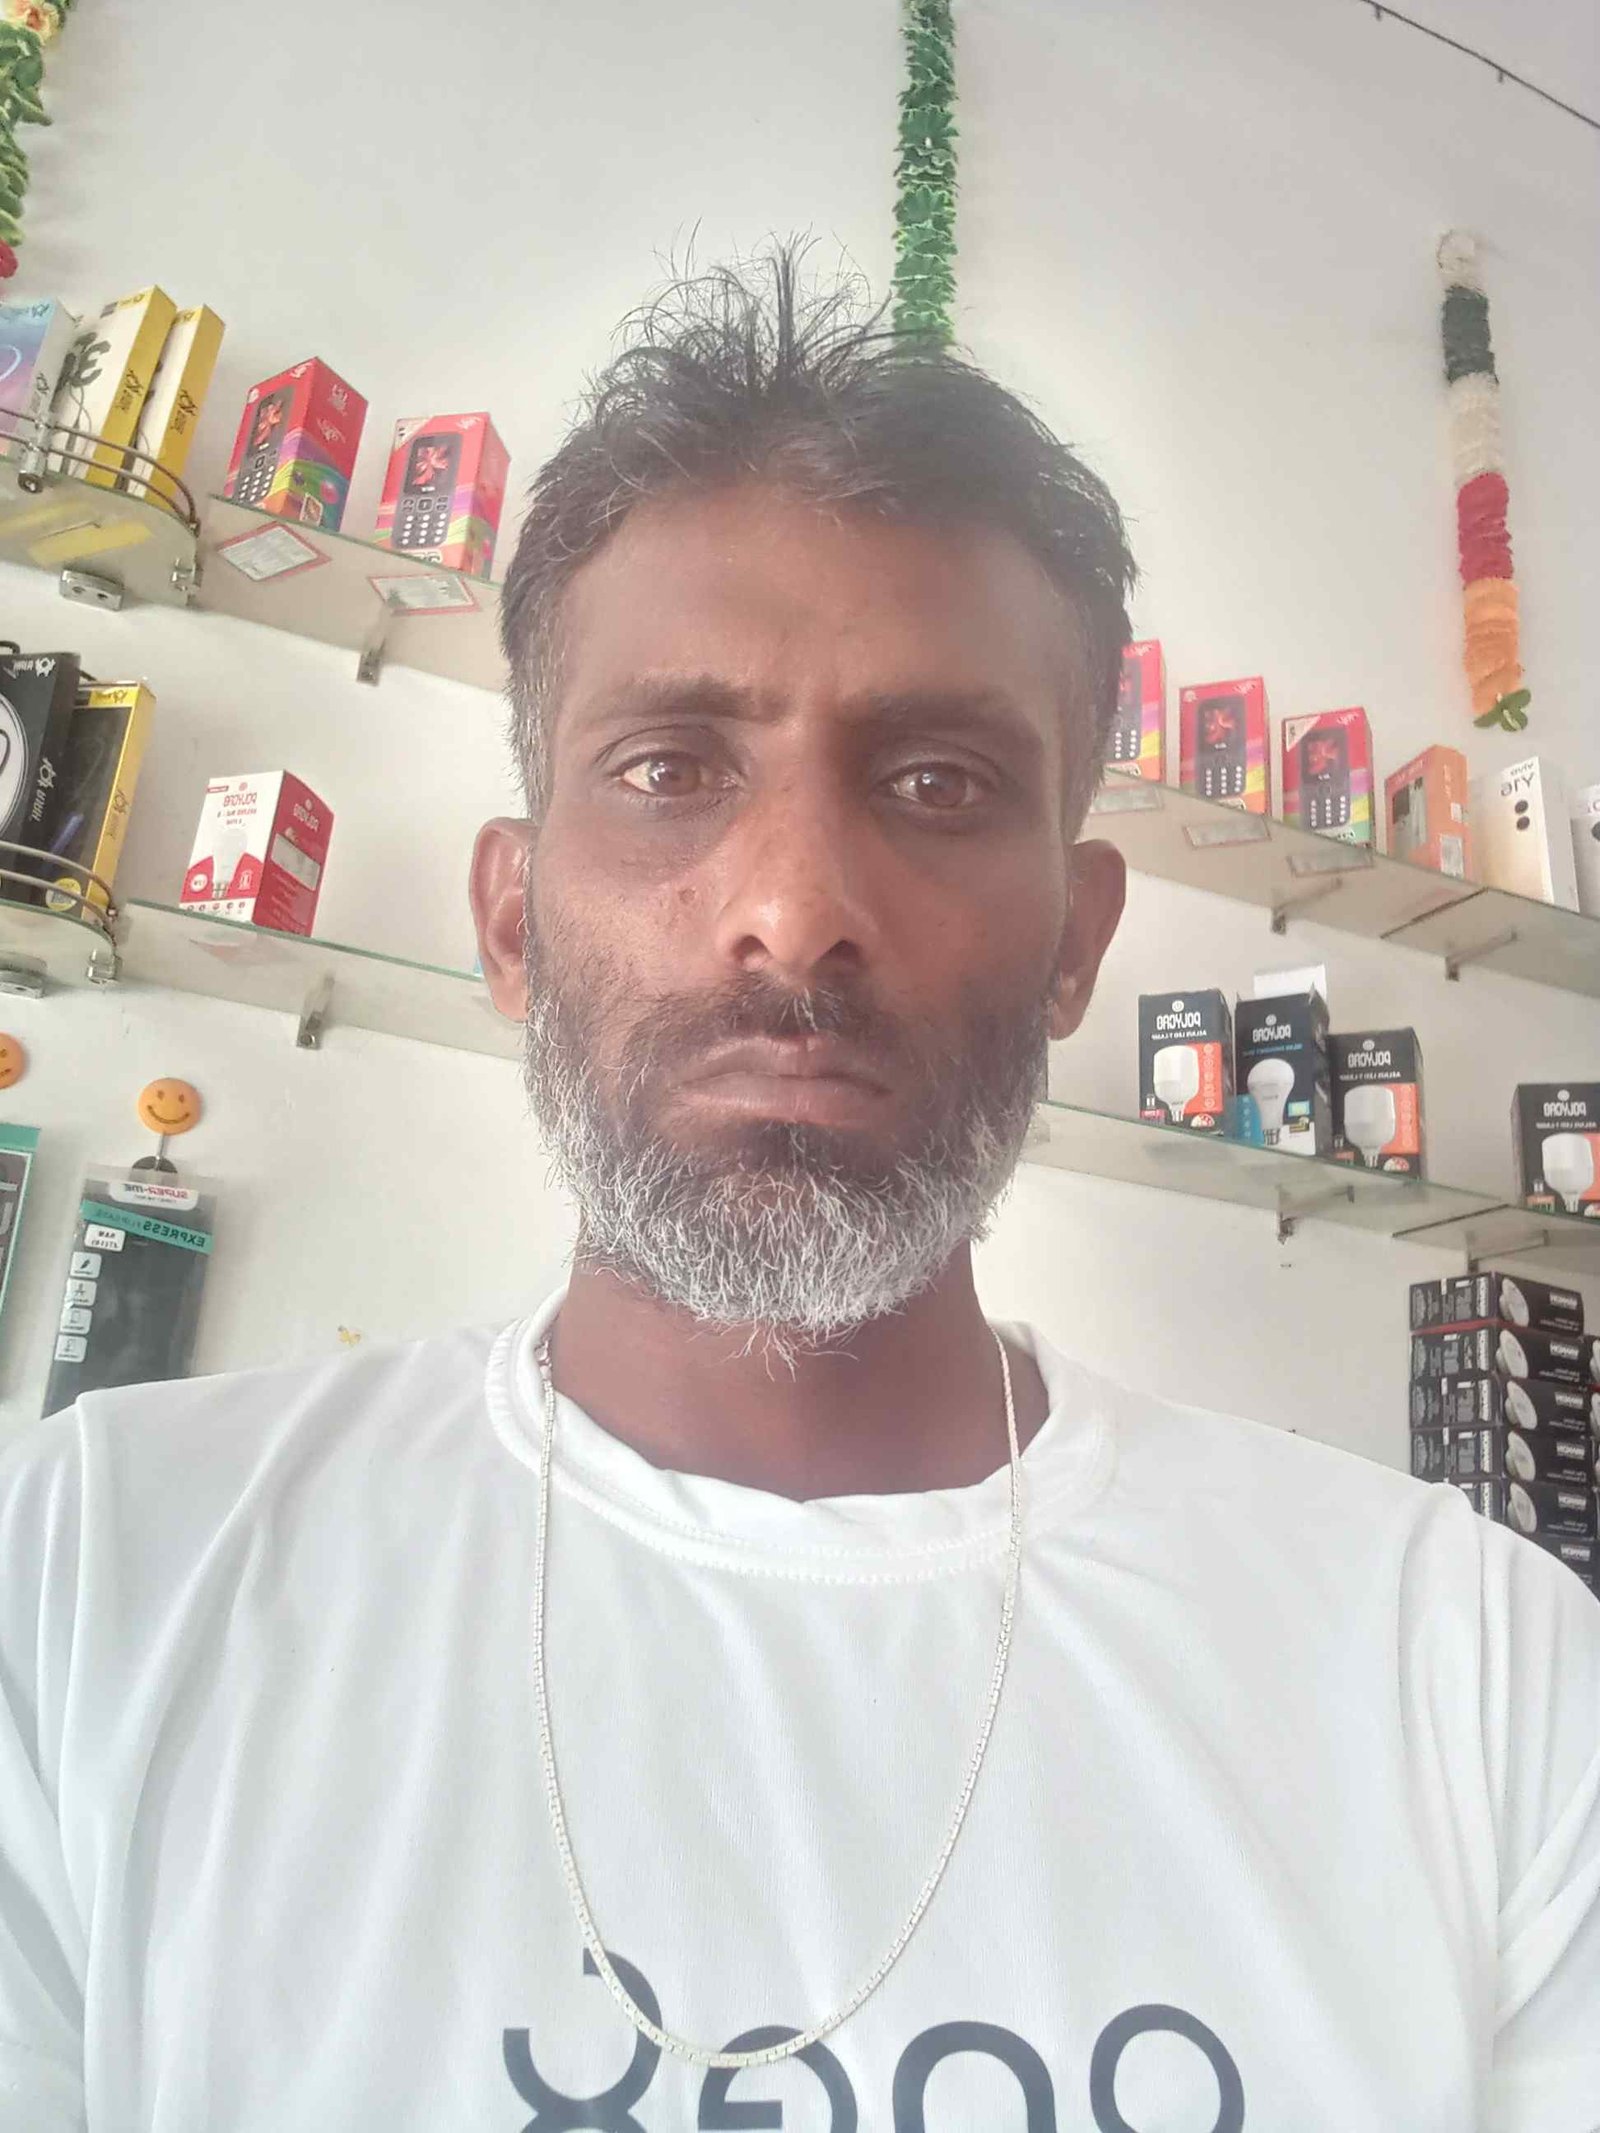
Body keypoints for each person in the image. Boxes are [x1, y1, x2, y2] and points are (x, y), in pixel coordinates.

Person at [1, 249, 1596, 2131]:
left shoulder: (1471, 1672)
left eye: (936, 784)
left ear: (1077, 943)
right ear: (510, 920)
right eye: (669, 766)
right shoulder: (89, 1583)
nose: (792, 907)